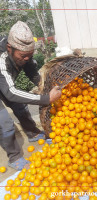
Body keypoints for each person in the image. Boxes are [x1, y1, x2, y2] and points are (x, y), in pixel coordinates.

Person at [0, 21, 61, 170]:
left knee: (20, 107)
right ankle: (14, 157)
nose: (26, 58)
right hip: (4, 82)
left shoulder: (24, 54)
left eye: (30, 55)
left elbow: (33, 73)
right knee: (5, 122)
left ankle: (33, 133)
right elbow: (10, 92)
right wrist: (46, 99)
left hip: (5, 82)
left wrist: (43, 86)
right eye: (23, 56)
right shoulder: (2, 59)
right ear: (10, 48)